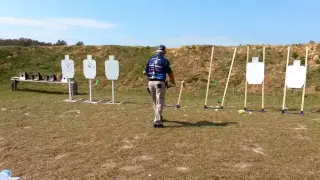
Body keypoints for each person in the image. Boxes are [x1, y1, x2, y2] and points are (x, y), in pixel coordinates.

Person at [143, 45, 176, 128]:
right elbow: (170, 73)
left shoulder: (150, 60)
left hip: (150, 82)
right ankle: (157, 122)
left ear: (157, 51)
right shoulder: (164, 61)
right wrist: (173, 82)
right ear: (164, 52)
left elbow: (144, 72)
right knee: (160, 101)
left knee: (155, 101)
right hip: (160, 83)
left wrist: (150, 77)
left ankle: (159, 116)